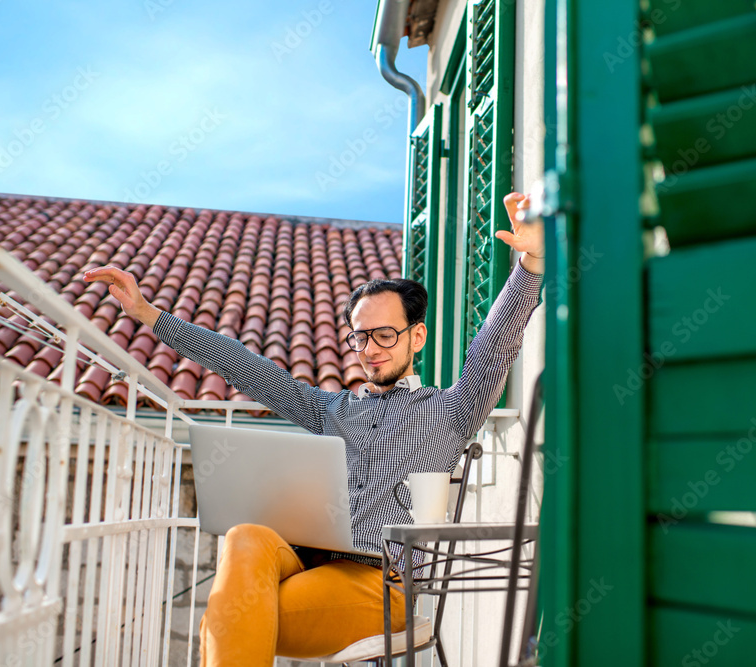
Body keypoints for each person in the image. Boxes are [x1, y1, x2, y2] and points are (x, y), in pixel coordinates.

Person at [83, 191, 545, 665]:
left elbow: (494, 346)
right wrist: (147, 314)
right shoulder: (332, 409)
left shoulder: (449, 411)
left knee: (226, 618)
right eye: (360, 337)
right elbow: (247, 368)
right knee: (244, 535)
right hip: (305, 560)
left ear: (417, 336)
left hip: (381, 585)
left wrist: (529, 263)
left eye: (385, 334)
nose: (370, 349)